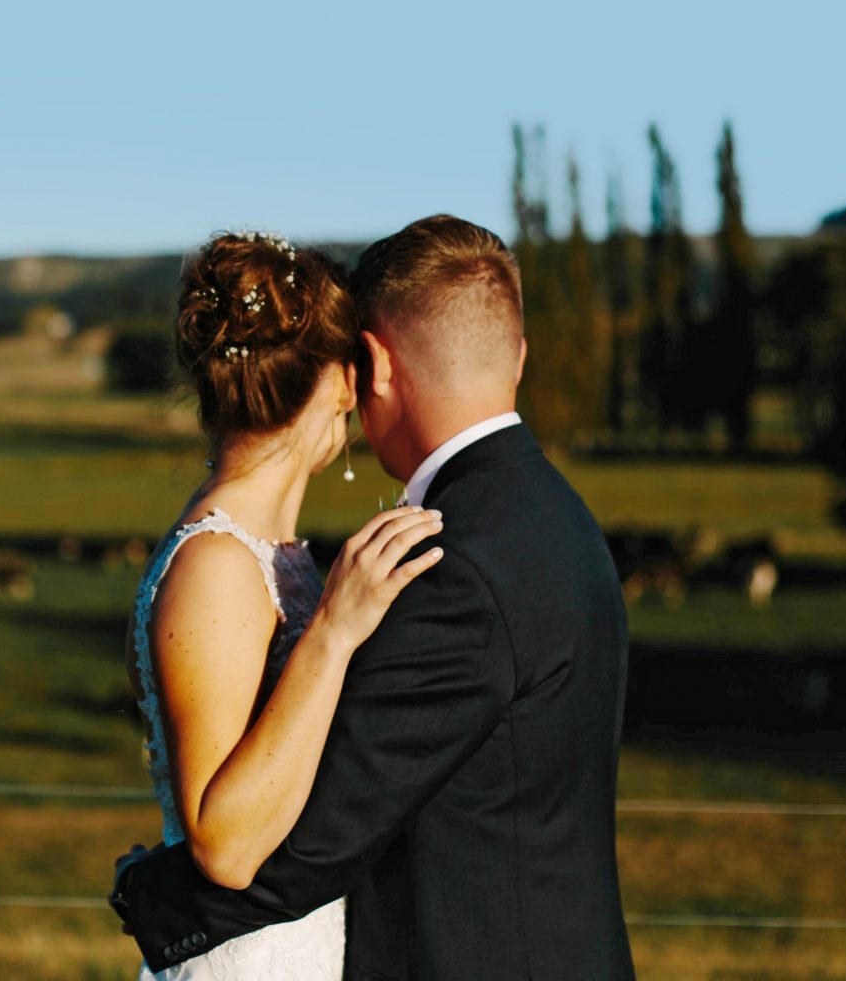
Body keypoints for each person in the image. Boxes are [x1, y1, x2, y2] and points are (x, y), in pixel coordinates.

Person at [115, 214, 636, 981]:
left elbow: (326, 827)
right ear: (518, 356)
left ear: (375, 367)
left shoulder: (455, 560)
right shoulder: (551, 515)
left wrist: (156, 895)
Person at [126, 230, 447, 978]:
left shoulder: (276, 554)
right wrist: (333, 633)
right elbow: (224, 845)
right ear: (339, 380)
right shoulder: (217, 565)